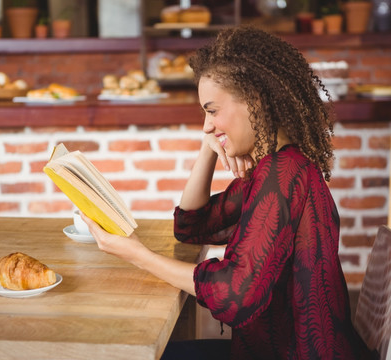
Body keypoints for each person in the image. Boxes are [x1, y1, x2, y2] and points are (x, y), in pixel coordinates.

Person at [81, 26, 376, 359]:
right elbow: (191, 228)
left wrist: (138, 255)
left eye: (212, 110)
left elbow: (235, 295)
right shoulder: (273, 167)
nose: (207, 124)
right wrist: (207, 149)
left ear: (254, 100)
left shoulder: (284, 173)